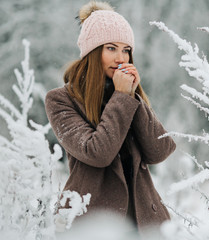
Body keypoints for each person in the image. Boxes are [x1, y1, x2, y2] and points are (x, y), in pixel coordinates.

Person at [44, 1, 176, 233]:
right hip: (93, 222)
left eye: (126, 50)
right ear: (93, 52)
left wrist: (133, 96)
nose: (121, 59)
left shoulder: (126, 94)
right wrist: (122, 97)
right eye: (111, 48)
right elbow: (98, 153)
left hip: (143, 221)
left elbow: (161, 150)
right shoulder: (61, 100)